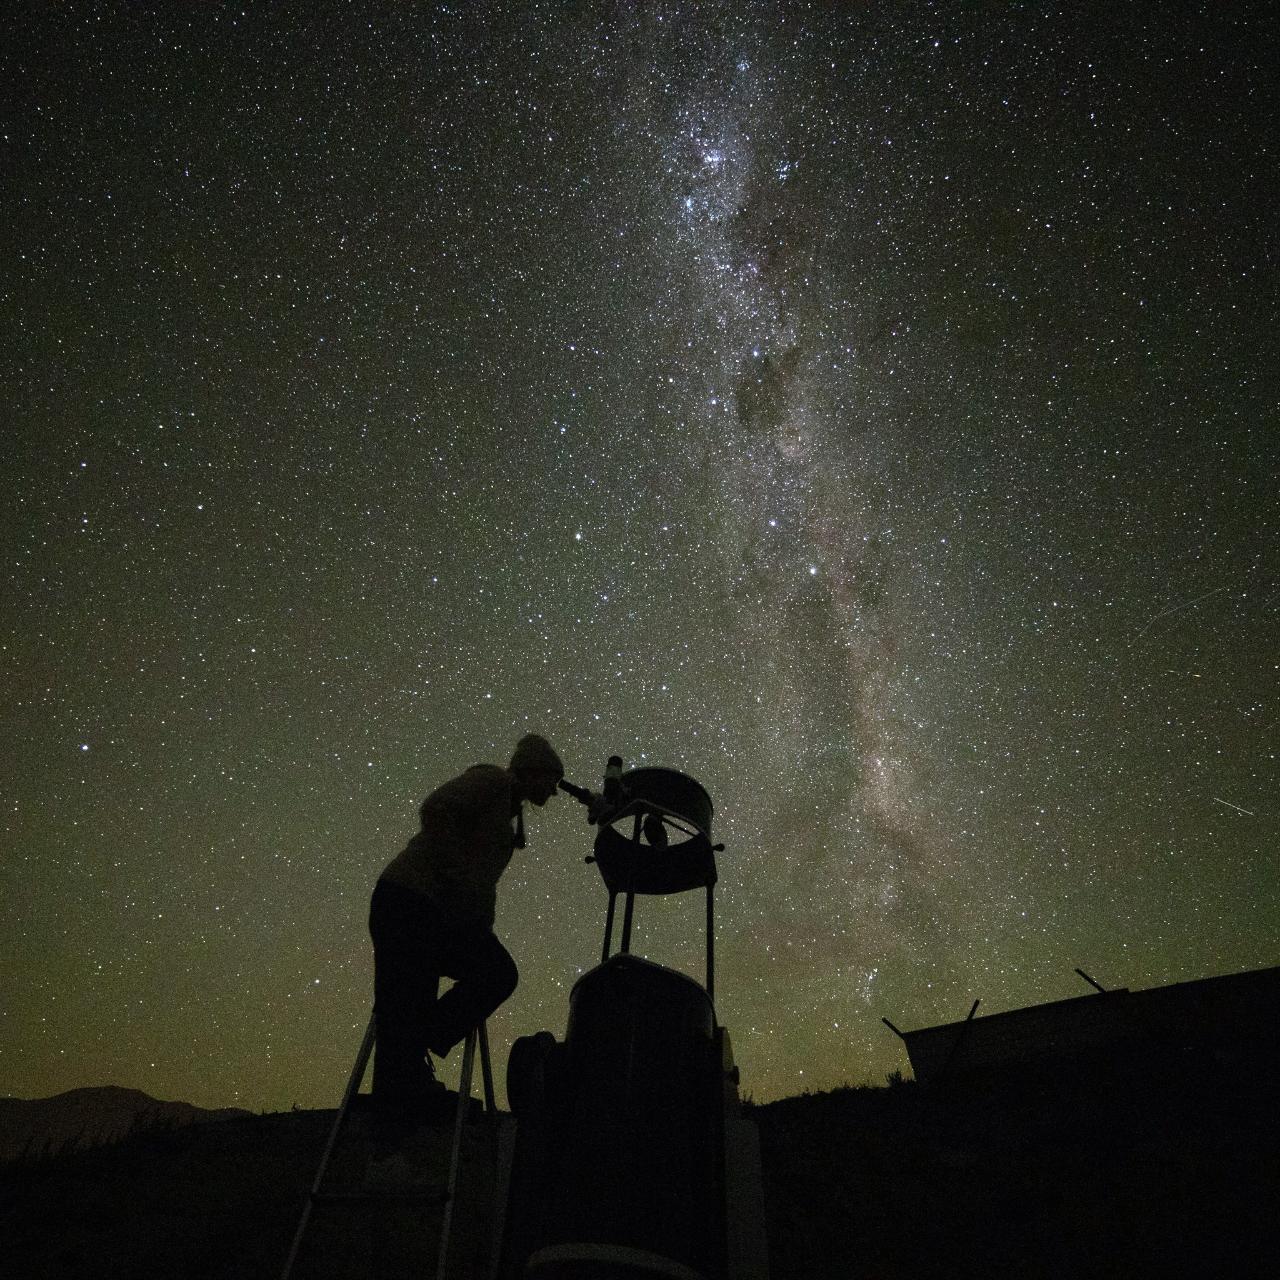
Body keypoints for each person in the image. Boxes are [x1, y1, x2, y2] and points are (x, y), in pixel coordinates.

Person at [367, 733, 564, 1127]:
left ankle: (409, 1061)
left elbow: (480, 886)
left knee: (411, 1008)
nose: (554, 792)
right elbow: (437, 807)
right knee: (494, 975)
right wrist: (453, 878)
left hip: (428, 913)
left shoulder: (505, 814)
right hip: (411, 904)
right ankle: (415, 1048)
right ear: (533, 771)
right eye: (551, 780)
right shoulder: (492, 781)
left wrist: (474, 917)